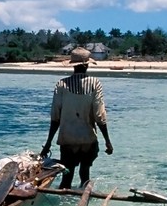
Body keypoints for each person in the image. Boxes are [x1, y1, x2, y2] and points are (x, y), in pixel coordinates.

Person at [41, 47, 113, 189]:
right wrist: (107, 142)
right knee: (85, 174)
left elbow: (55, 117)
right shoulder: (95, 83)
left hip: (67, 139)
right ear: (87, 65)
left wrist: (48, 143)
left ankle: (63, 202)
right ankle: (82, 198)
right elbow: (100, 116)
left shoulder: (61, 84)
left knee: (66, 178)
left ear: (72, 65)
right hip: (88, 140)